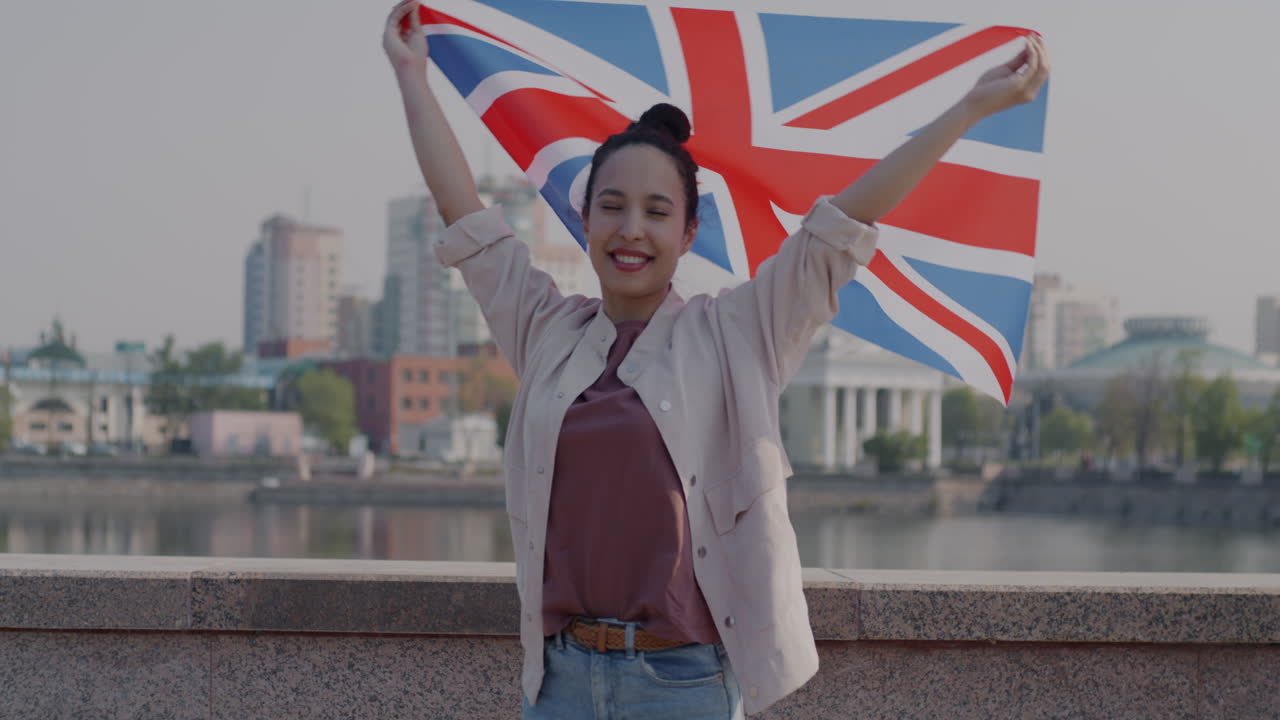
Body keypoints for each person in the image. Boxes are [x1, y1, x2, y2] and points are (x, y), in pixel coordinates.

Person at [383, 2, 1049, 717]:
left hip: (686, 688)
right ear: (584, 221)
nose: (631, 229)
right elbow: (470, 224)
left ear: (690, 230)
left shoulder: (739, 333)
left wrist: (971, 108)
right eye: (611, 207)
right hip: (560, 683)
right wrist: (414, 76)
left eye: (656, 211)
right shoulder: (546, 331)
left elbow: (840, 227)